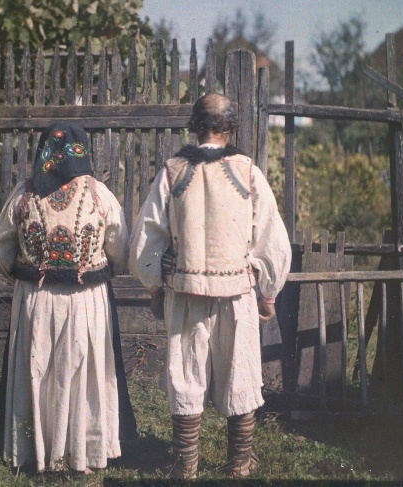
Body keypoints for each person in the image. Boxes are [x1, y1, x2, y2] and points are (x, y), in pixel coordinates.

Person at [129, 93, 292, 479]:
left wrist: (155, 285)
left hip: (185, 294)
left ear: (194, 125)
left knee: (186, 373)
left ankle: (186, 465)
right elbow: (273, 240)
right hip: (236, 294)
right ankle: (240, 463)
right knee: (242, 370)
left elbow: (146, 239)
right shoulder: (247, 172)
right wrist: (267, 292)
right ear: (231, 128)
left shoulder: (172, 172)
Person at [0, 121, 136, 474]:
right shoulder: (100, 194)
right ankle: (82, 451)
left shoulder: (23, 194)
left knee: (38, 371)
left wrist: (24, 276)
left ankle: (36, 451)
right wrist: (100, 272)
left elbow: (1, 249)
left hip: (36, 300)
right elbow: (120, 248)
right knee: (84, 374)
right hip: (86, 299)